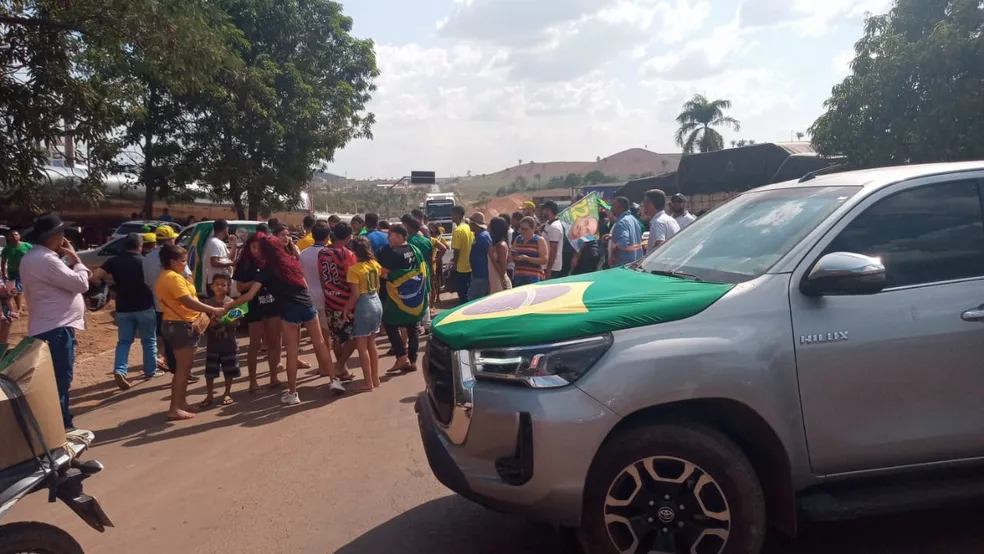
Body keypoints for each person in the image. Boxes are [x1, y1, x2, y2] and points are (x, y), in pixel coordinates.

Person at [253, 235, 344, 405]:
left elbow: (250, 294)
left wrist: (227, 307)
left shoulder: (267, 269)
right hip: (307, 305)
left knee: (292, 351)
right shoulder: (290, 262)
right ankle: (334, 381)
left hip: (289, 310)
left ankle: (293, 393)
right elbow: (304, 285)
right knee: (320, 343)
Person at [20, 214, 90, 430]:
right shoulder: (47, 260)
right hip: (56, 328)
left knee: (54, 380)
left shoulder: (33, 257)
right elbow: (81, 284)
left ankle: (56, 424)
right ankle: (60, 427)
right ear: (55, 236)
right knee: (60, 380)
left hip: (47, 326)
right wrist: (76, 259)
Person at [156, 243, 228, 421]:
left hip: (177, 323)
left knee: (185, 368)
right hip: (180, 325)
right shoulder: (172, 278)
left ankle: (181, 402)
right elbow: (188, 301)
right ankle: (175, 408)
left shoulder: (170, 276)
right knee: (183, 369)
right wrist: (213, 309)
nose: (185, 264)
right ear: (172, 262)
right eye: (182, 261)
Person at [90, 233, 162, 390]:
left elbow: (95, 278)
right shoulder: (144, 262)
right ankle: (150, 371)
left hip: (123, 307)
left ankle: (120, 369)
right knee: (149, 340)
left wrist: (107, 289)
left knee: (124, 342)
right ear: (139, 246)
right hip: (144, 305)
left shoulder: (113, 261)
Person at [232, 227, 284, 393]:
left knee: (274, 343)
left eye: (260, 247)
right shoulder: (245, 263)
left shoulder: (273, 261)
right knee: (254, 345)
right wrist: (257, 281)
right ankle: (253, 381)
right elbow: (240, 287)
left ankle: (274, 377)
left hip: (273, 305)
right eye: (253, 246)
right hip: (254, 307)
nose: (256, 250)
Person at [377, 223, 428, 373]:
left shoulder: (393, 253)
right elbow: (421, 270)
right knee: (413, 327)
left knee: (389, 323)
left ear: (399, 236)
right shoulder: (414, 250)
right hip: (415, 296)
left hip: (397, 297)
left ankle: (401, 356)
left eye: (390, 235)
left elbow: (385, 274)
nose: (388, 238)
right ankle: (412, 361)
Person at [143, 225, 189, 378]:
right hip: (178, 306)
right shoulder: (176, 256)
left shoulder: (147, 259)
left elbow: (147, 282)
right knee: (181, 342)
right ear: (170, 240)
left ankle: (172, 366)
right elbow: (188, 277)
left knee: (165, 338)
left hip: (158, 305)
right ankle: (181, 372)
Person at [343, 236, 383, 392]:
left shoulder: (354, 270)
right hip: (376, 302)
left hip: (364, 306)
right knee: (372, 343)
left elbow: (355, 295)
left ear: (354, 251)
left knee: (362, 347)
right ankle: (375, 378)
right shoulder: (375, 264)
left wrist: (346, 308)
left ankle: (368, 382)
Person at [319, 222, 358, 378]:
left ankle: (343, 370)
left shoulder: (323, 252)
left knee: (336, 337)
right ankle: (339, 366)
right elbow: (352, 279)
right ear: (349, 237)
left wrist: (328, 292)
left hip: (329, 300)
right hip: (345, 303)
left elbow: (322, 277)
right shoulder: (347, 254)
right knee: (355, 337)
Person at [200, 275, 241, 408]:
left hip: (229, 344)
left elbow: (237, 322)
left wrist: (224, 319)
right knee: (210, 371)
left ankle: (227, 393)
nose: (219, 287)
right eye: (217, 284)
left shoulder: (232, 303)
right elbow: (203, 323)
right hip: (212, 344)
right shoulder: (207, 303)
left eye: (223, 285)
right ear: (211, 286)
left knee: (229, 370)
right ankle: (209, 395)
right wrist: (212, 321)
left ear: (228, 288)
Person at [300, 222, 334, 372]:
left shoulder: (303, 253)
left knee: (315, 335)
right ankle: (328, 365)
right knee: (326, 334)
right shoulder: (329, 253)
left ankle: (322, 365)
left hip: (309, 296)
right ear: (327, 237)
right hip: (327, 296)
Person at [510, 216, 548, 287]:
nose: (522, 231)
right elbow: (511, 256)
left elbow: (544, 260)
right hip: (518, 276)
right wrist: (513, 256)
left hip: (533, 278)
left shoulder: (539, 240)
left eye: (525, 229)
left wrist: (527, 258)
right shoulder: (518, 239)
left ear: (533, 229)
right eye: (521, 228)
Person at [607, 196, 644, 267]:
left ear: (620, 208)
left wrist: (613, 254)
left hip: (623, 265)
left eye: (613, 206)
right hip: (635, 263)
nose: (611, 209)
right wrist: (613, 237)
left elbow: (623, 243)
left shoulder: (621, 222)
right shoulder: (633, 220)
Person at [1, 230, 31, 313]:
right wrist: (3, 273)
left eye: (16, 234)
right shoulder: (7, 249)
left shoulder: (27, 246)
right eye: (12, 235)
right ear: (9, 237)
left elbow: (35, 256)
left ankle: (20, 308)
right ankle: (18, 307)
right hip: (12, 272)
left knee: (19, 289)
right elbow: (3, 262)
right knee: (13, 290)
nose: (14, 236)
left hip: (24, 271)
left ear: (19, 236)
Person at [450, 205, 473, 305]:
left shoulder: (458, 230)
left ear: (457, 215)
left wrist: (454, 265)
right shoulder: (468, 228)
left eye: (452, 214)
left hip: (461, 268)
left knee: (462, 295)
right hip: (471, 266)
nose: (451, 217)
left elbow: (456, 251)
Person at [204, 219, 236, 293]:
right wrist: (231, 264)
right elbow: (214, 262)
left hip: (223, 282)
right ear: (225, 229)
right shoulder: (214, 243)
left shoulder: (220, 243)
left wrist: (234, 245)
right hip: (216, 283)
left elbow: (230, 259)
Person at [468, 213, 493, 300]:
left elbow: (489, 254)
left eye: (470, 223)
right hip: (478, 274)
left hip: (481, 275)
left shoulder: (482, 237)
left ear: (474, 224)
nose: (469, 225)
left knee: (474, 300)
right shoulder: (480, 235)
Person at [487, 217, 512, 294]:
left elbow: (502, 271)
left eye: (490, 225)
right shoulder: (493, 244)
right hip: (493, 283)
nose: (488, 228)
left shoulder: (501, 246)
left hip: (501, 284)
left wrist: (491, 255)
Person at [541, 201, 564, 279]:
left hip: (551, 268)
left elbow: (553, 250)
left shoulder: (554, 227)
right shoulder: (549, 224)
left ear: (549, 210)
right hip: (546, 265)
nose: (543, 212)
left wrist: (548, 269)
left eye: (544, 210)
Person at [507, 211, 522, 281]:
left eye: (513, 219)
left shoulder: (518, 233)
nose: (511, 221)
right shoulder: (515, 231)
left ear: (517, 220)